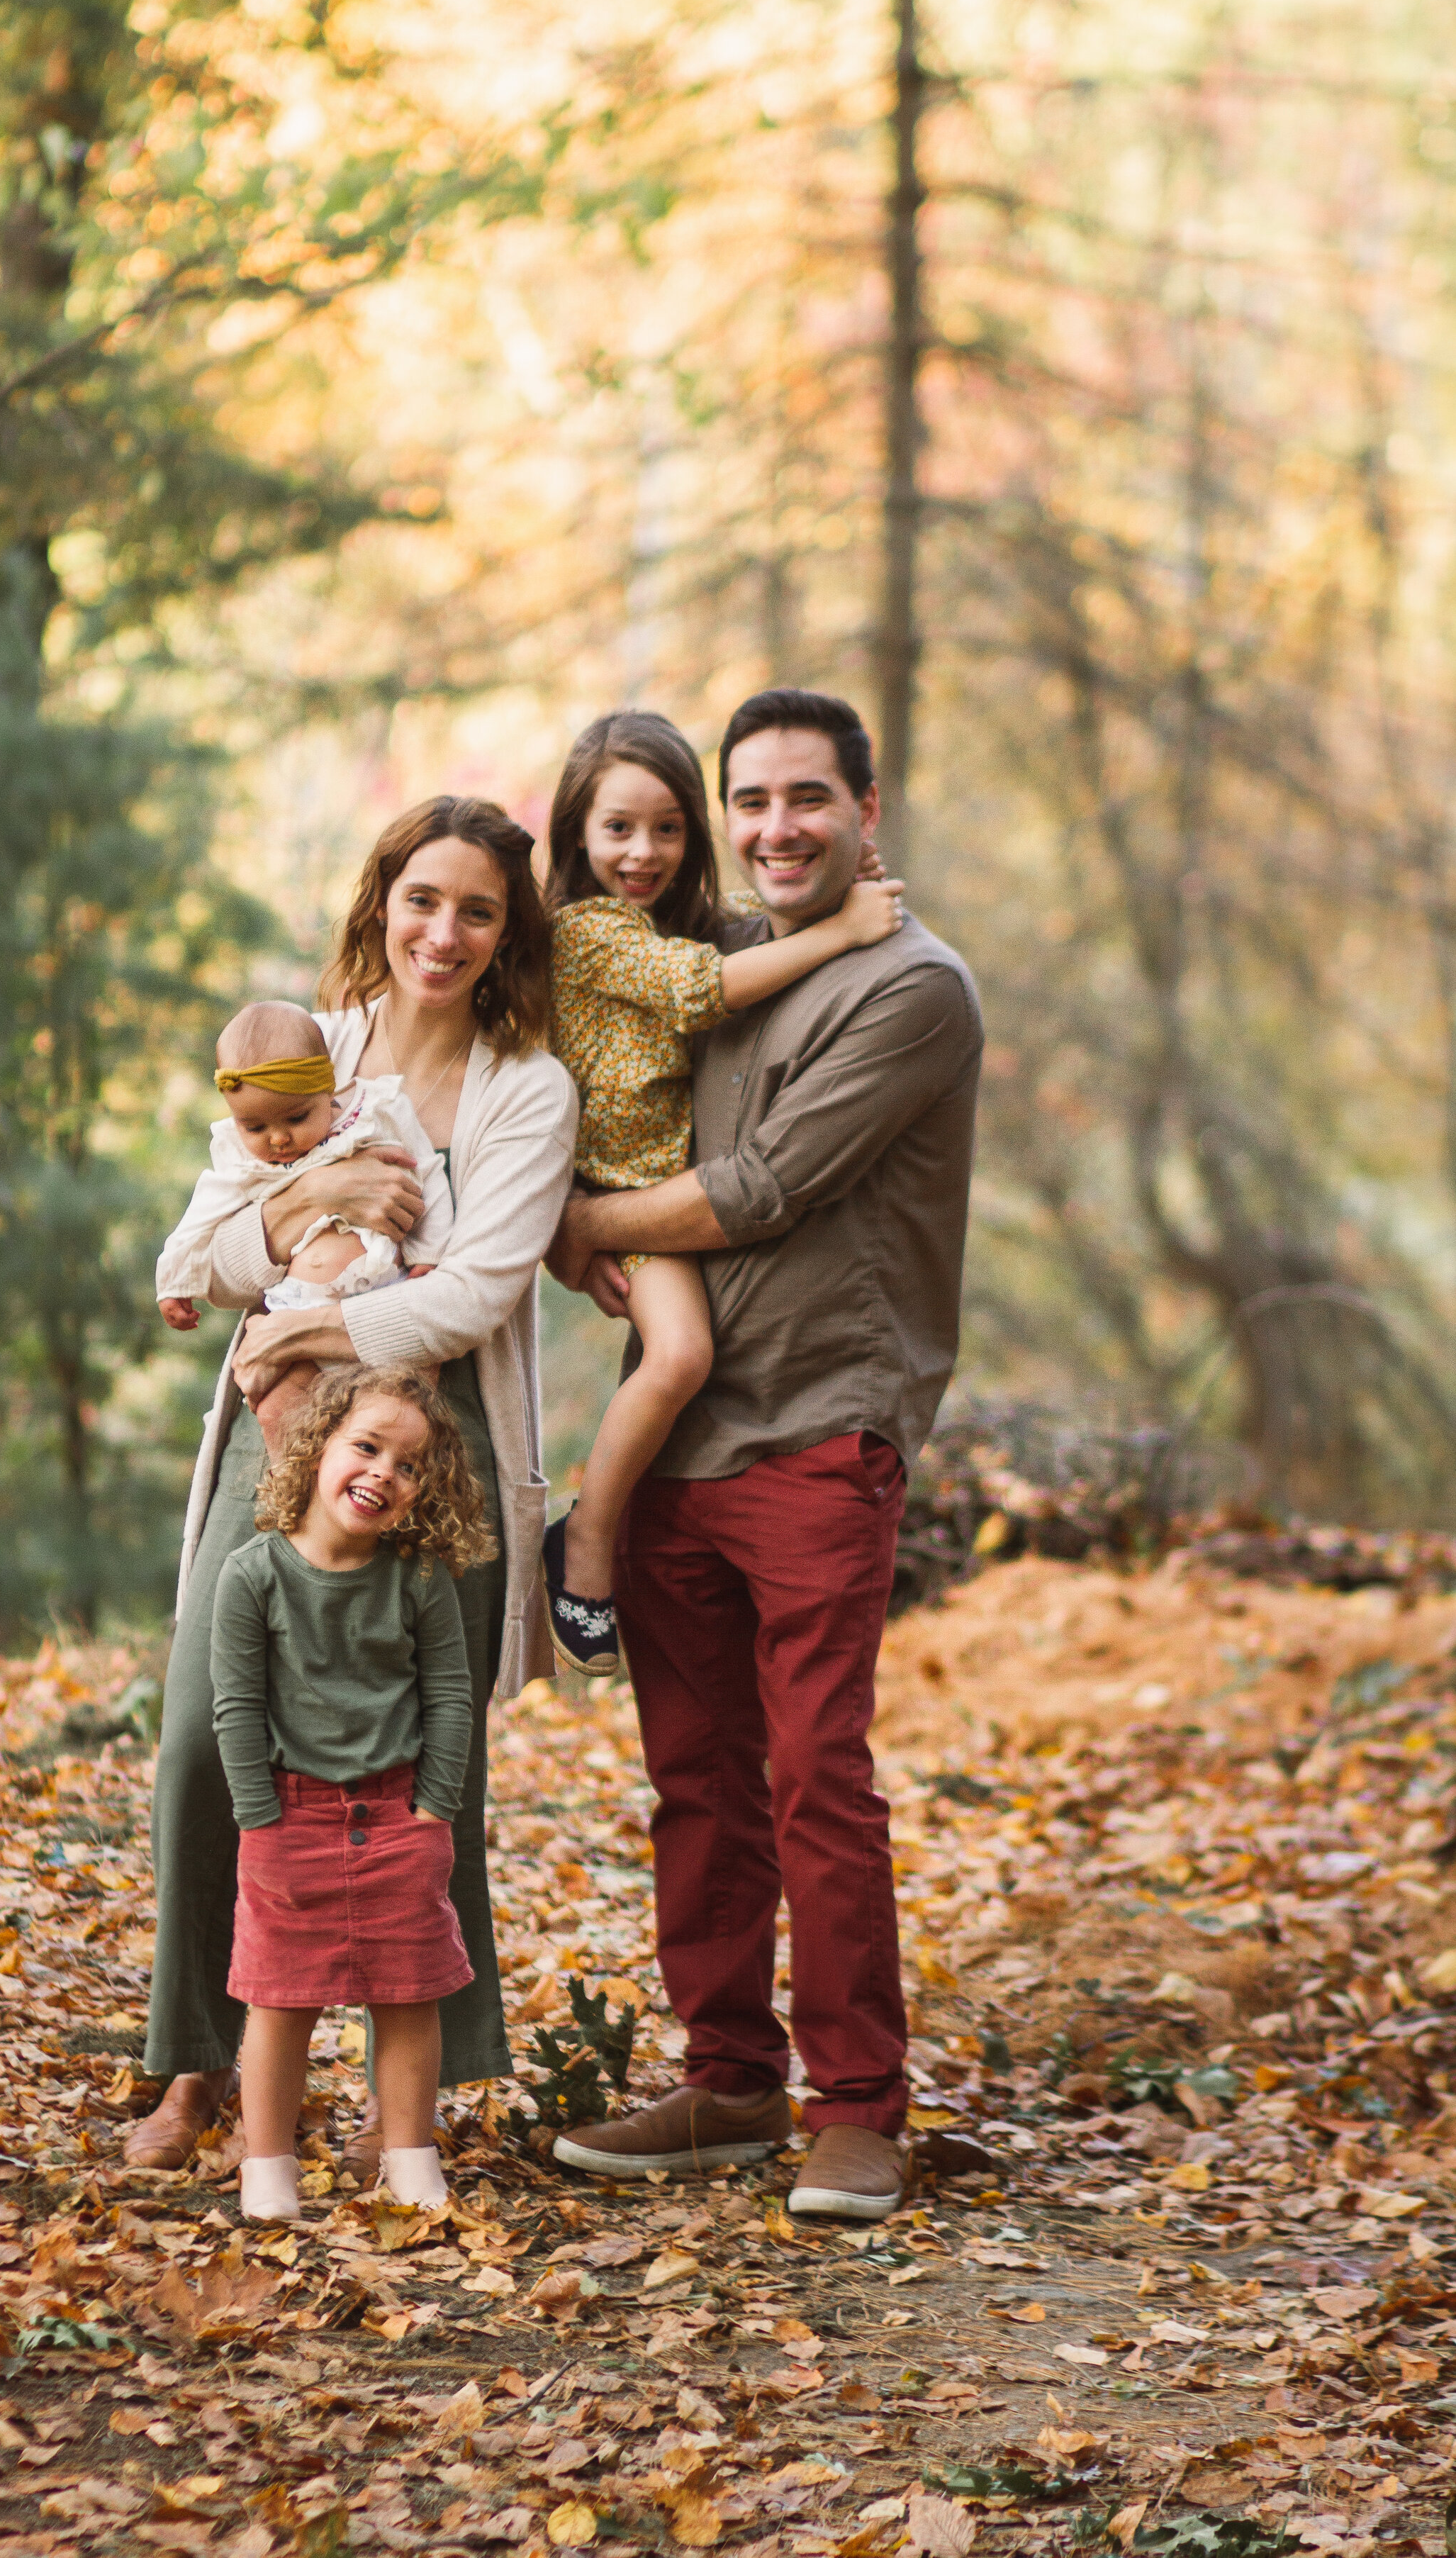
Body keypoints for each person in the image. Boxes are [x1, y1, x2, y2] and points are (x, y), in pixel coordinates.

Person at [547, 688, 982, 2223]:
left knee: (814, 1777)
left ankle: (858, 2105)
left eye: (809, 797)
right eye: (752, 800)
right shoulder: (711, 954)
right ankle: (728, 2082)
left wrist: (573, 1224)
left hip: (814, 1427)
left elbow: (762, 1186)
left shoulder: (911, 988)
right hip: (674, 1439)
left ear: (868, 806)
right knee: (695, 1781)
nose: (776, 826)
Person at [125, 796, 578, 2177]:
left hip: (430, 1449)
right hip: (283, 1437)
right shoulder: (312, 1046)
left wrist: (319, 1323)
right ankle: (196, 2066)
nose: (442, 931)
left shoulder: (527, 1087)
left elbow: (476, 1293)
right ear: (380, 899)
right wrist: (276, 1227)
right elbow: (198, 1255)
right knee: (212, 1733)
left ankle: (412, 2103)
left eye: (477, 910)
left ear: (507, 937)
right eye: (421, 898)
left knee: (419, 1763)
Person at [539, 709, 905, 1671]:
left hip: (652, 1185)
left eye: (668, 828)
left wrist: (841, 884)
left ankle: (592, 1532)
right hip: (633, 1187)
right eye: (617, 827)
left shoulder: (669, 926)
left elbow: (749, 930)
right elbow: (709, 987)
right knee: (678, 1357)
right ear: (576, 829)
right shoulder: (587, 934)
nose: (643, 850)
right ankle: (584, 1543)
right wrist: (844, 931)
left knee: (677, 1359)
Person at [211, 1366, 496, 2221]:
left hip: (400, 1814)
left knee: (408, 1994)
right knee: (279, 1997)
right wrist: (260, 1819)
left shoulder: (417, 1579)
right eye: (366, 1447)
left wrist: (436, 1809)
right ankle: (268, 2171)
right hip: (289, 1816)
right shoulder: (253, 1574)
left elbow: (450, 1697)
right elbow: (235, 1708)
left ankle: (411, 2161)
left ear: (424, 1491)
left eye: (409, 1466)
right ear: (319, 1448)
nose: (383, 1473)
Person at [155, 999, 452, 1449]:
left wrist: (430, 1253)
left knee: (405, 1412)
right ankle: (295, 1504)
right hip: (299, 1314)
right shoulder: (240, 1158)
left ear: (327, 1088)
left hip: (389, 1301)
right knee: (277, 1411)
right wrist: (174, 1279)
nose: (278, 1139)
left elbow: (426, 1173)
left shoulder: (375, 1114)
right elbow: (202, 1215)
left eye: (297, 1118)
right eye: (254, 1126)